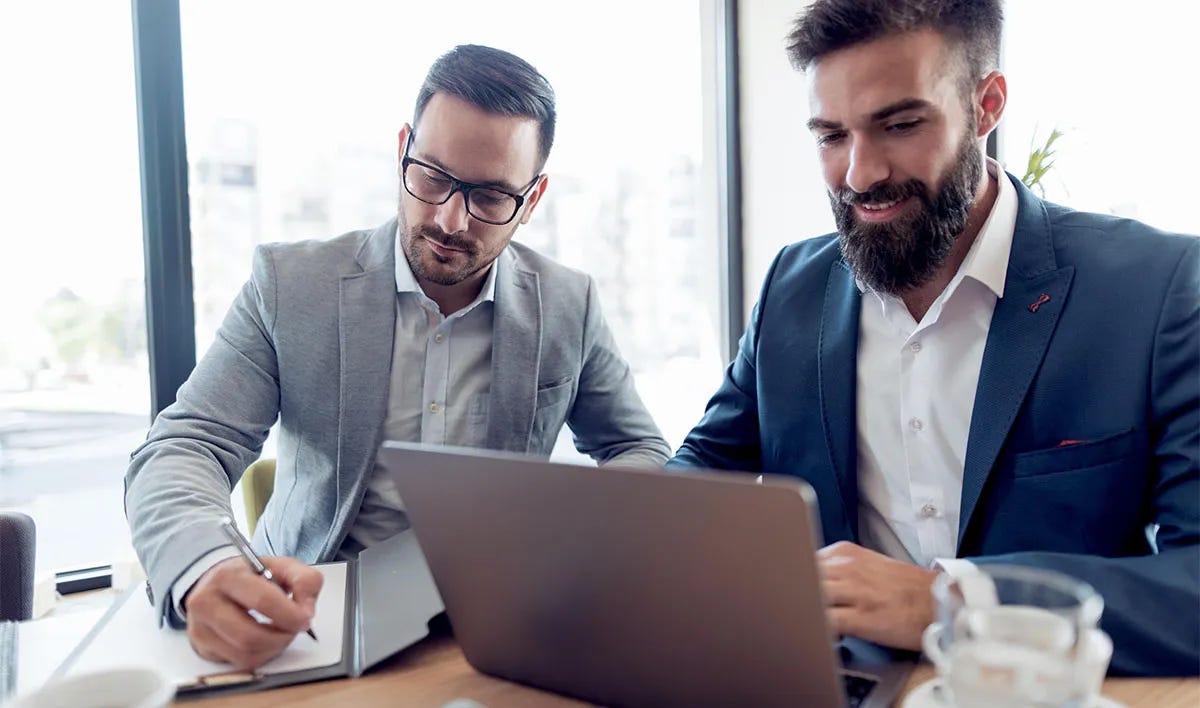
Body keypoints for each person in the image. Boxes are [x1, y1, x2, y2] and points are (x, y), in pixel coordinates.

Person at [668, 0, 1198, 676]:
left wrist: (951, 601)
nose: (859, 174)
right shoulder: (790, 287)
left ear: (988, 104)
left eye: (900, 124)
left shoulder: (1155, 288)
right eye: (831, 136)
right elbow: (694, 486)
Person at [126, 44, 670, 669]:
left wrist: (587, 534)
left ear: (534, 197)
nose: (450, 219)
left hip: (494, 626)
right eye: (433, 177)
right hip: (311, 624)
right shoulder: (289, 284)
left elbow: (639, 448)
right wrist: (204, 567)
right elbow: (184, 446)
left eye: (491, 197)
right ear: (404, 147)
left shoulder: (569, 305)